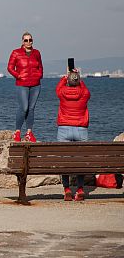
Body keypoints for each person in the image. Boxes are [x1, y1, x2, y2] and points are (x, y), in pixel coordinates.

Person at [56, 69, 90, 201]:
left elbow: (58, 88)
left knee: (64, 160)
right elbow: (85, 88)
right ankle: (80, 189)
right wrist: (78, 78)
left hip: (64, 129)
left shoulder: (62, 93)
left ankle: (67, 189)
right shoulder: (84, 93)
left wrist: (65, 78)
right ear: (78, 81)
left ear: (68, 82)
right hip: (81, 129)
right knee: (80, 160)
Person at [7, 32, 43, 142]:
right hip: (22, 84)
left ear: (32, 41)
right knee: (24, 107)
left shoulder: (36, 53)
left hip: (35, 85)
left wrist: (39, 75)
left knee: (31, 109)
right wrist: (18, 76)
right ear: (22, 41)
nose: (28, 42)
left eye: (30, 40)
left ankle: (29, 132)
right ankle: (17, 132)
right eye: (26, 40)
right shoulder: (16, 53)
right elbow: (10, 67)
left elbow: (40, 67)